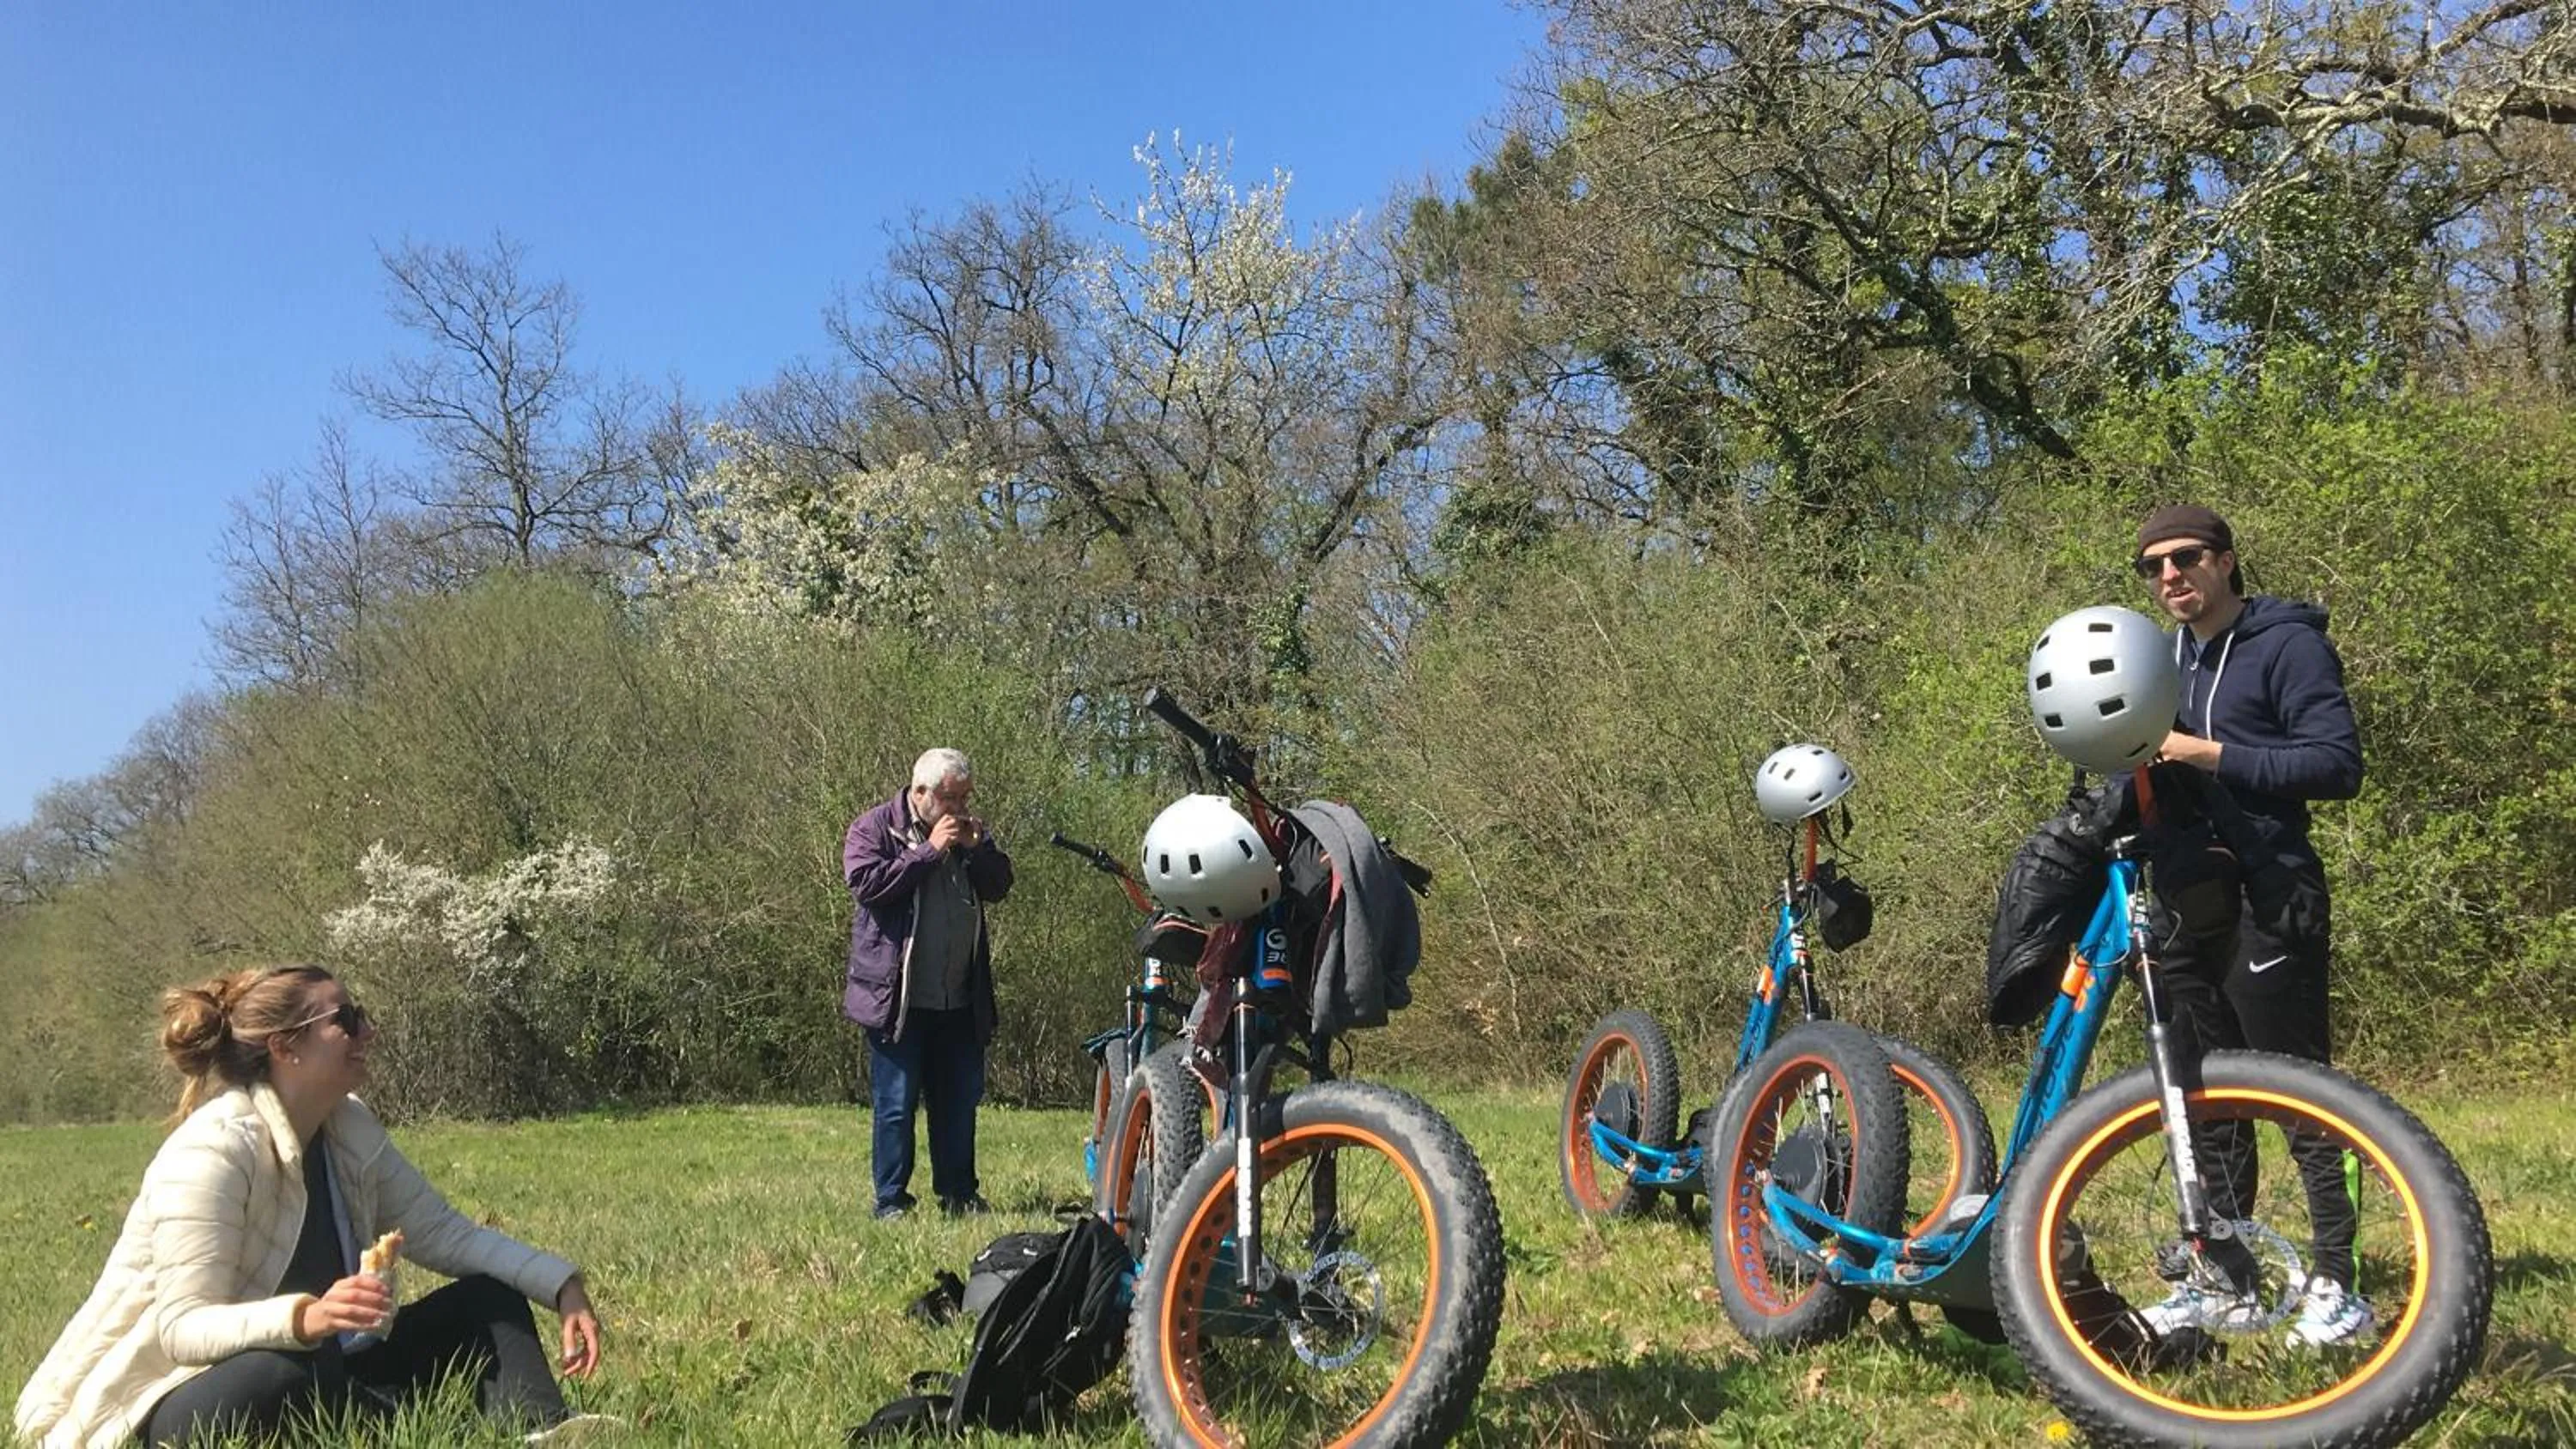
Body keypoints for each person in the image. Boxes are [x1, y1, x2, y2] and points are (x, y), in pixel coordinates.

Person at [12, 965, 611, 1448]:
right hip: (179, 1395)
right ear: (285, 1047)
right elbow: (182, 1329)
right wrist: (305, 1319)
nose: (367, 1031)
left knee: (488, 1299)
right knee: (286, 1369)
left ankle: (544, 1432)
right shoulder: (211, 1151)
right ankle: (403, 1422)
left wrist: (559, 1283)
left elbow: (446, 1234)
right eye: (346, 1020)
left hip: (332, 1365)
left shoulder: (348, 1127)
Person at [2129, 504, 2369, 1345]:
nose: (2170, 575)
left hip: (2273, 899)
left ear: (2226, 561)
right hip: (2185, 903)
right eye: (2153, 566)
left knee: (2306, 1100)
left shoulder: (2287, 644)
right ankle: (2225, 1280)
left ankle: (2339, 1286)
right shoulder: (2158, 660)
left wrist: (2210, 753)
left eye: (2187, 557)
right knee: (2206, 1104)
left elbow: (2337, 763)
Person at [843, 748, 1014, 1221]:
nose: (959, 808)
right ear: (920, 792)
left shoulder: (970, 835)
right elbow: (868, 885)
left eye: (965, 797)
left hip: (959, 999)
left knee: (958, 1104)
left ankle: (959, 1195)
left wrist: (976, 851)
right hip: (897, 1001)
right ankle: (891, 1201)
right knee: (896, 1107)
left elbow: (1000, 886)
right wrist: (928, 852)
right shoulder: (875, 829)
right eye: (950, 798)